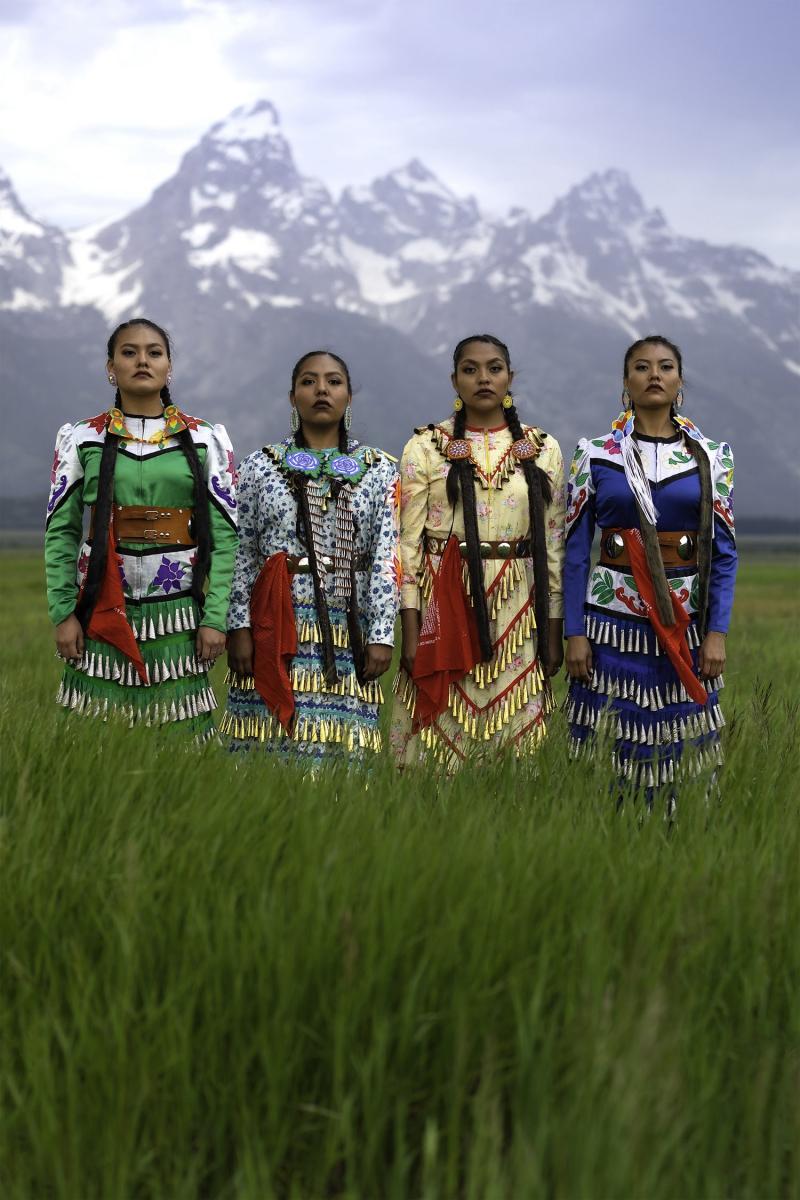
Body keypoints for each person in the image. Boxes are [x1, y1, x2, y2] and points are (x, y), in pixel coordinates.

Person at [45, 318, 239, 738]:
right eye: (129, 352)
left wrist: (216, 618)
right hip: (98, 604)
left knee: (180, 739)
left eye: (154, 352)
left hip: (178, 612)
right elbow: (61, 532)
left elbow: (226, 539)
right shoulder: (81, 438)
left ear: (170, 366)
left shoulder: (205, 440)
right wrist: (63, 613)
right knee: (93, 741)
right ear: (110, 367)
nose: (142, 361)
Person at [564, 334, 737, 799]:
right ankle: (603, 826)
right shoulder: (596, 454)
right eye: (641, 367)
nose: (653, 375)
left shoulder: (712, 458)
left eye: (664, 366)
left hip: (686, 622)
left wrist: (716, 631)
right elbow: (576, 551)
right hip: (610, 622)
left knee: (683, 735)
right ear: (626, 382)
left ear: (680, 380)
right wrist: (574, 633)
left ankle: (681, 830)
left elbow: (723, 553)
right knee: (609, 729)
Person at [390, 334, 565, 769]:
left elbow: (554, 546)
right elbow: (407, 547)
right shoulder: (425, 447)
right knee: (437, 741)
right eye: (470, 370)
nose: (483, 378)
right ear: (454, 380)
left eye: (494, 369)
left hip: (520, 607)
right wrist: (411, 631)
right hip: (445, 602)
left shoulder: (544, 450)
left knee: (517, 744)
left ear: (510, 378)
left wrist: (553, 628)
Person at [222, 351, 400, 761]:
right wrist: (239, 627)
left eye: (334, 381)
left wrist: (380, 636)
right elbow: (243, 550)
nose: (322, 389)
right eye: (309, 381)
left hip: (347, 624)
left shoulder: (379, 470)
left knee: (343, 741)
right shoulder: (258, 467)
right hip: (274, 619)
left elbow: (385, 557)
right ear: (292, 397)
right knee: (269, 741)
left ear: (349, 397)